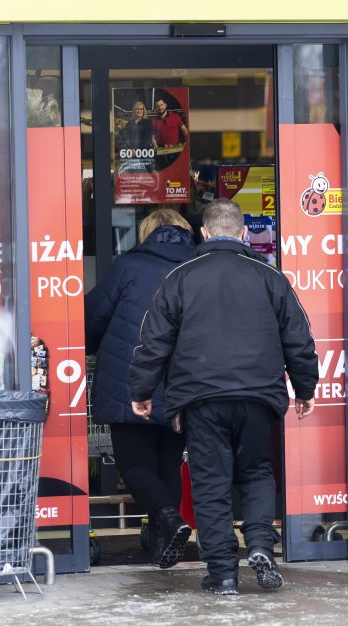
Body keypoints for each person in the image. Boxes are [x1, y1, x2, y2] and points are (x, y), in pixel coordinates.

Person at [129, 199, 318, 595]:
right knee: (257, 473)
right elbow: (299, 337)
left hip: (201, 399)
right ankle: (262, 546)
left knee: (211, 483)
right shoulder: (270, 277)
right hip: (257, 397)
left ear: (204, 233)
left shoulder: (179, 277)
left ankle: (224, 574)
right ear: (244, 233)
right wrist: (305, 388)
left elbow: (153, 341)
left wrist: (142, 391)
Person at [85, 209, 195, 569]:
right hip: (184, 379)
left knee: (134, 464)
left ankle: (168, 518)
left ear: (147, 233)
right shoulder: (199, 266)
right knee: (167, 464)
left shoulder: (127, 267)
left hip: (129, 378)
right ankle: (164, 547)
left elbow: (92, 319)